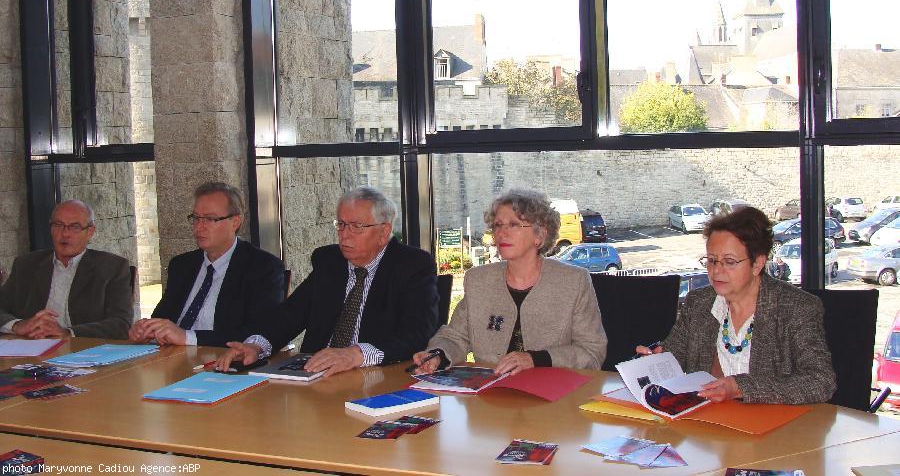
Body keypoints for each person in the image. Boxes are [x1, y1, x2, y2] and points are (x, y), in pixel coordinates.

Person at [215, 187, 439, 378]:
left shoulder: (412, 265)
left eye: (356, 226)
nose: (344, 235)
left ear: (384, 232)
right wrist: (257, 345)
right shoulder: (329, 261)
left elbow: (417, 333)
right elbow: (290, 315)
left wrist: (355, 354)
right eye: (341, 225)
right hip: (316, 375)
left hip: (376, 377)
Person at [636, 205, 836, 405]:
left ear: (757, 263)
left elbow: (820, 381)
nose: (716, 271)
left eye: (729, 261)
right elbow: (675, 355)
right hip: (710, 423)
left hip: (775, 427)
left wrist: (741, 387)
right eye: (712, 260)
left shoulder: (795, 307)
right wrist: (656, 360)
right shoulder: (699, 303)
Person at [413, 189, 607, 376]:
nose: (502, 233)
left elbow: (591, 352)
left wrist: (537, 359)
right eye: (498, 225)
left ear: (540, 235)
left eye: (513, 225)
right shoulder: (478, 280)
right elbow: (455, 337)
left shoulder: (573, 281)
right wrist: (437, 354)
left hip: (553, 397)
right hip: (490, 397)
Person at [129, 182, 284, 347]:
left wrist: (188, 337)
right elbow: (163, 317)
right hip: (171, 358)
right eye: (196, 218)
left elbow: (258, 332)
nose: (199, 227)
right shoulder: (182, 265)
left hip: (222, 361)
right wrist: (146, 329)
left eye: (210, 219)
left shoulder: (262, 267)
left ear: (235, 221)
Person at [0, 200, 132, 339]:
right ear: (51, 229)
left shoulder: (112, 268)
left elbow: (121, 323)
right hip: (30, 348)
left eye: (75, 227)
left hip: (82, 351)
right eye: (58, 225)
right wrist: (17, 325)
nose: (65, 233)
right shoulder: (26, 264)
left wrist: (67, 332)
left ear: (90, 232)